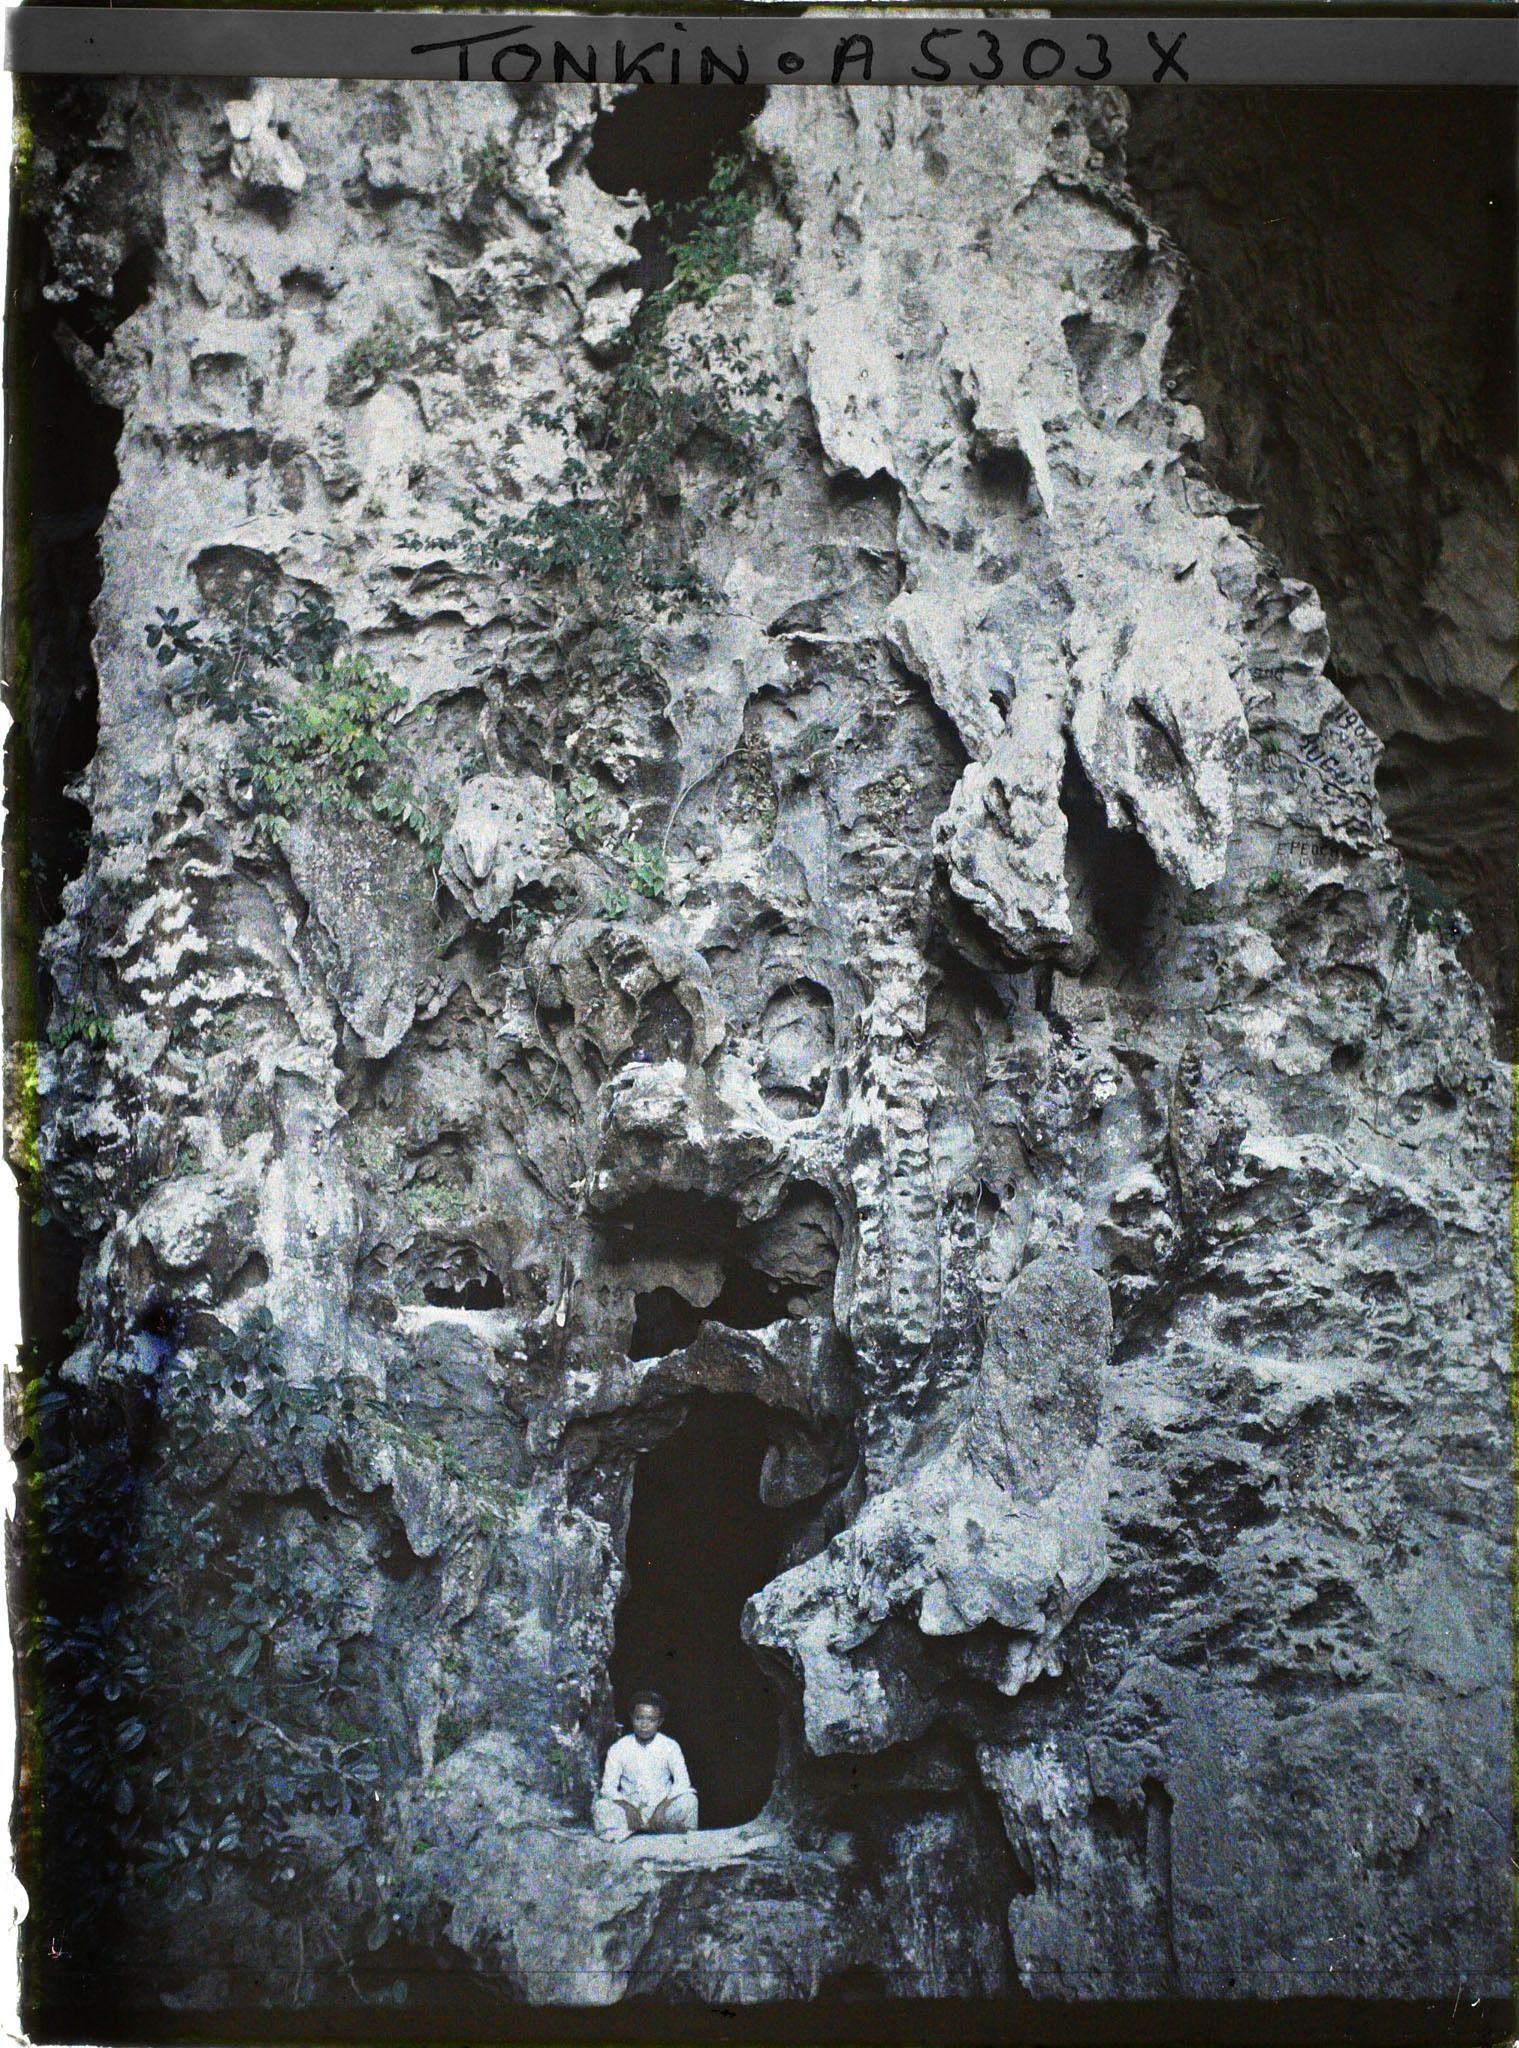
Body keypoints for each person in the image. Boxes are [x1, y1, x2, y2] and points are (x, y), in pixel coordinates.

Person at [593, 1691, 699, 1843]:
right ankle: (635, 1830)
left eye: (651, 1720)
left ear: (659, 1722)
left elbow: (682, 1783)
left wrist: (662, 1807)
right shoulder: (619, 1748)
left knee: (690, 1801)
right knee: (601, 1807)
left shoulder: (670, 1746)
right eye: (639, 1718)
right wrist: (627, 1807)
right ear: (632, 1718)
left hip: (661, 1813)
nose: (644, 1725)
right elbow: (608, 1787)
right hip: (632, 1814)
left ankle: (678, 1839)